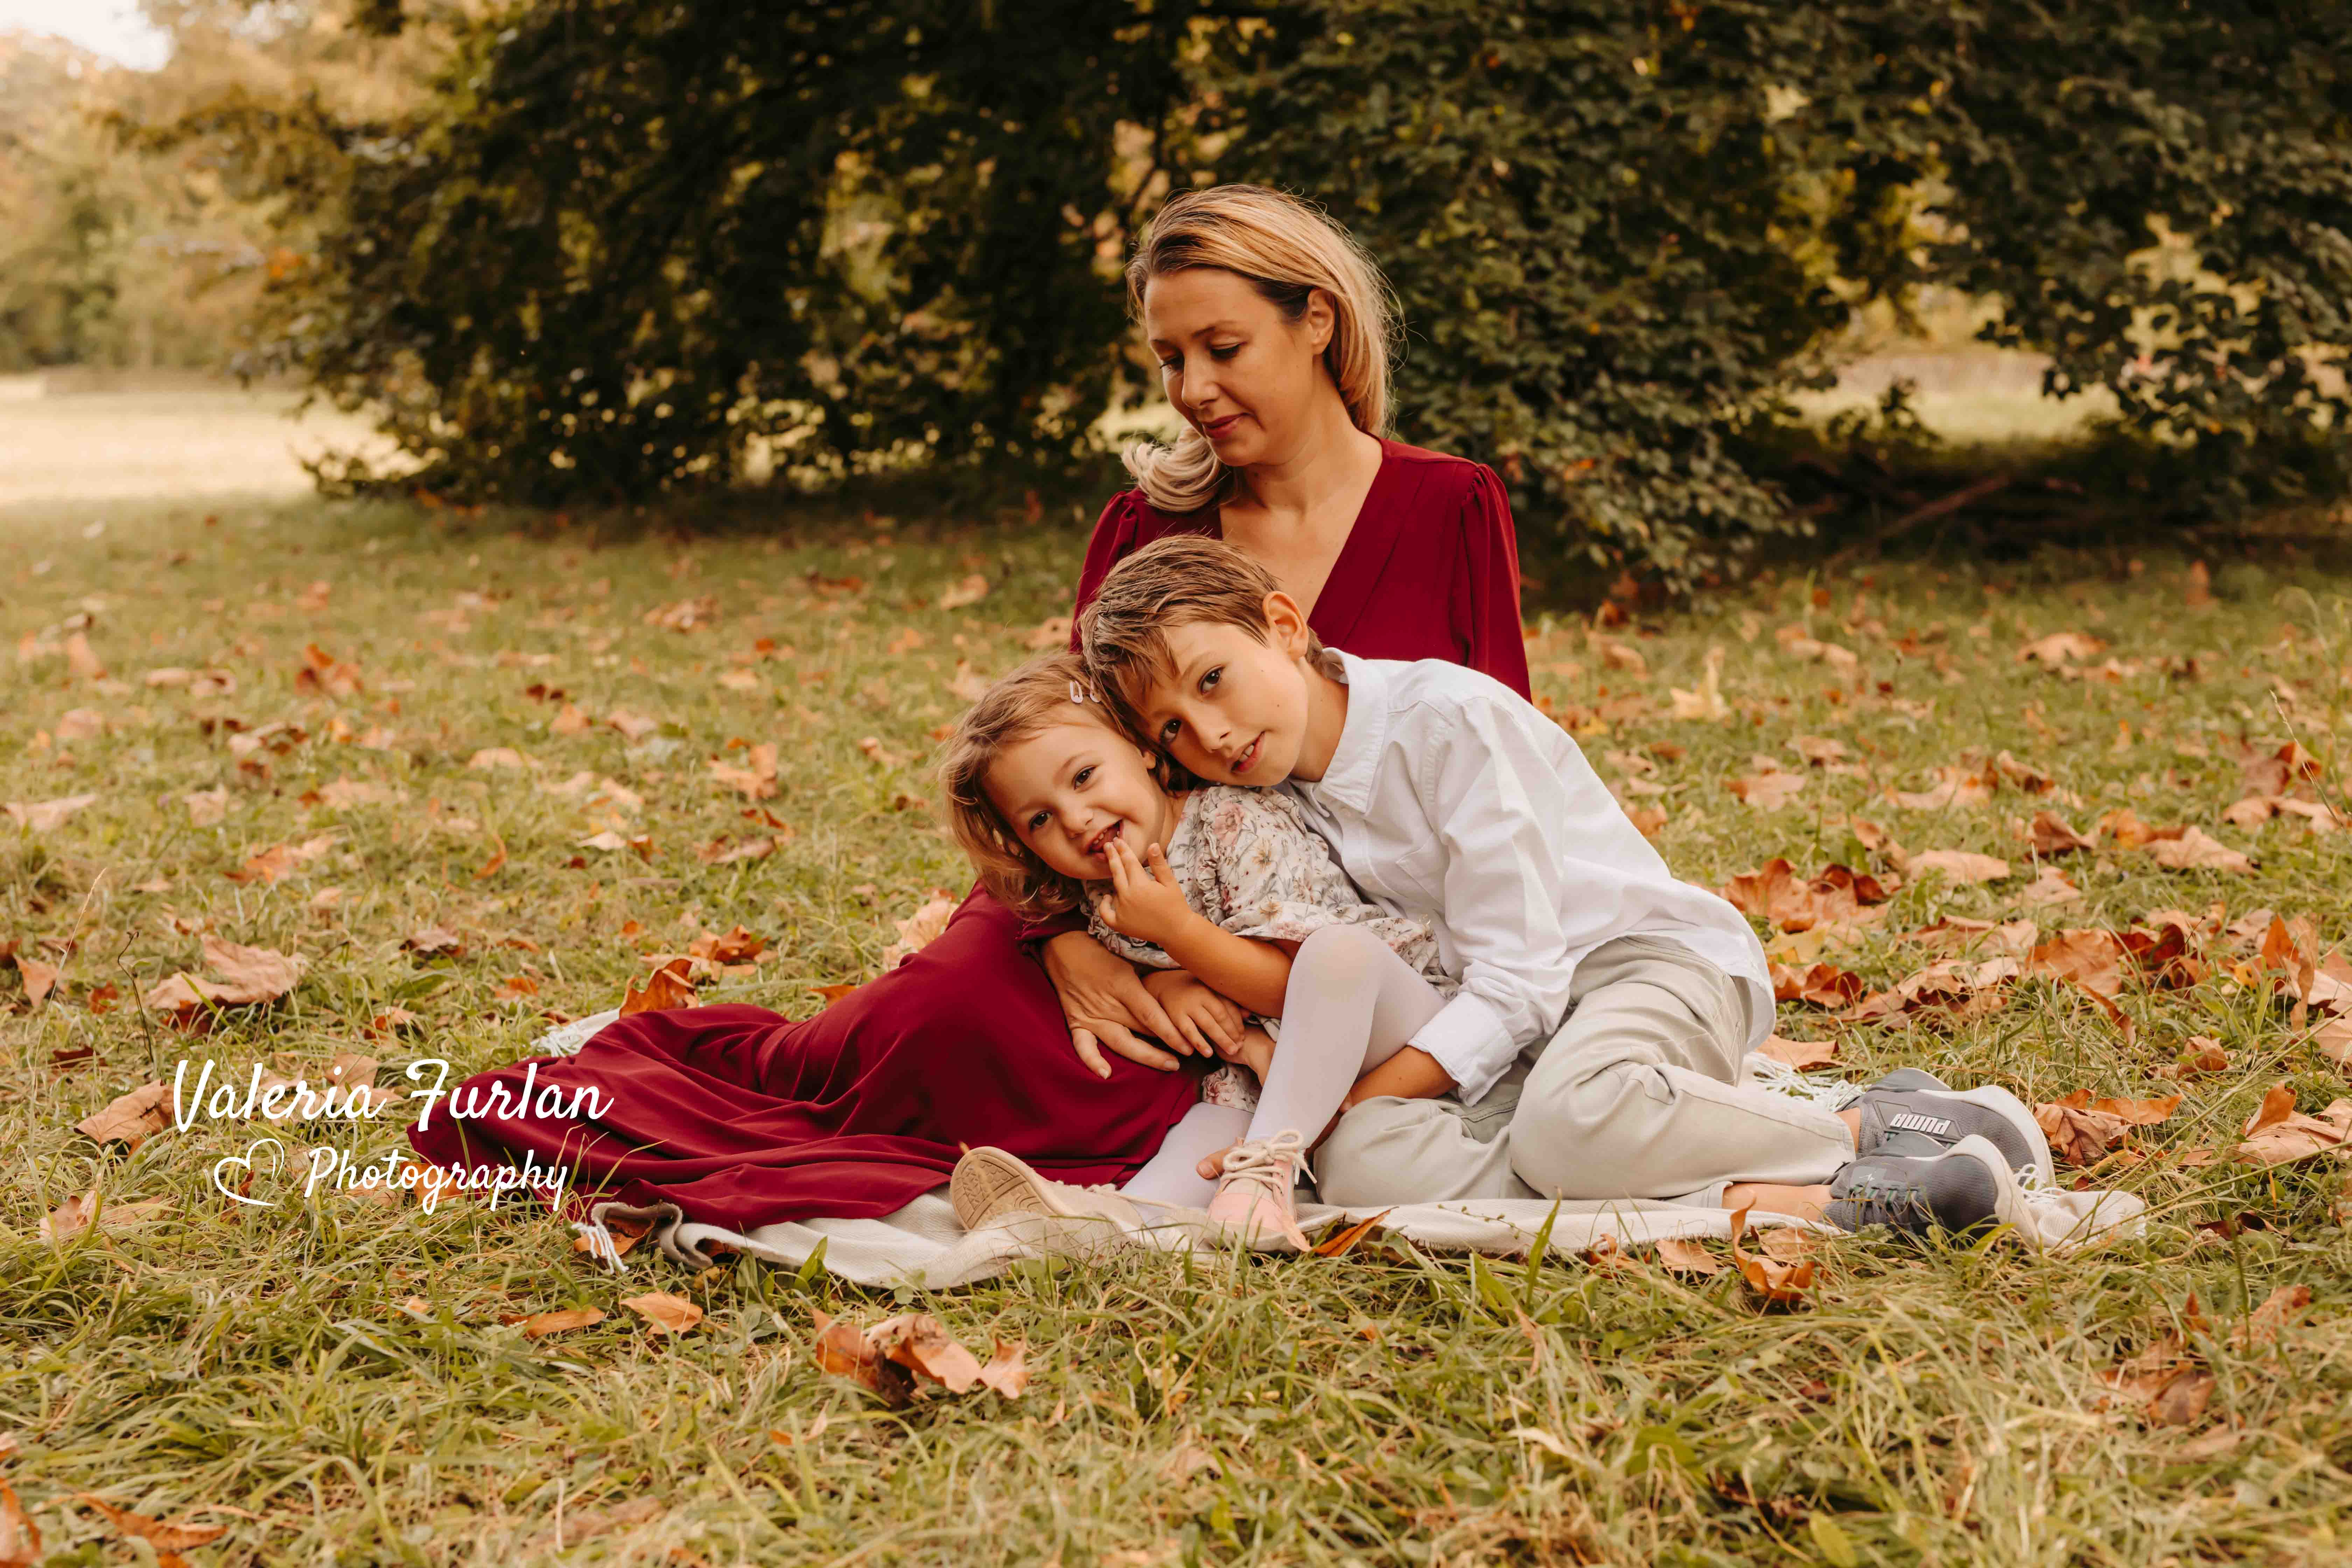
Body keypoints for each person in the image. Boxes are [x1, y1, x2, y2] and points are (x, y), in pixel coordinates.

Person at [406, 183, 1536, 1230]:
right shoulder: (1145, 529)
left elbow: (1502, 757)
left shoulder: (1448, 504)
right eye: (1168, 359)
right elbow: (1066, 755)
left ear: (1319, 324)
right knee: (950, 1005)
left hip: (1343, 928)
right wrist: (1068, 946)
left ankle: (1157, 1184)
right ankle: (699, 1061)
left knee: (1132, 1071)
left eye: (1223, 349)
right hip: (1122, 880)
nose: (1193, 390)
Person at [1060, 533, 2056, 1247]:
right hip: (1510, 1048)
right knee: (1368, 1166)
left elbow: (1521, 986)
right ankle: (1812, 1197)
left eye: (1212, 680)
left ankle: (1880, 1127)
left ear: (1282, 625)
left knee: (1564, 1125)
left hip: (1639, 968)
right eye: (1172, 731)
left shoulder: (1445, 723)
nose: (1210, 734)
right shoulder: (1270, 801)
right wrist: (1080, 947)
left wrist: (1320, 1114)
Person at [939, 651, 1466, 1248]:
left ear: (1138, 747)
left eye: (1084, 777)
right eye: (1040, 819)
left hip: (1392, 1020)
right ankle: (1102, 1225)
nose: (1077, 819)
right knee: (1187, 1159)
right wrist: (1165, 985)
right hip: (1268, 1073)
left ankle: (1264, 1172)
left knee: (1335, 954)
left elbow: (1296, 986)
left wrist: (1180, 939)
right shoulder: (1102, 894)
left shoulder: (1231, 821)